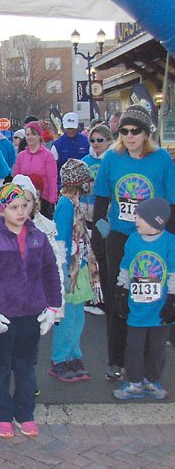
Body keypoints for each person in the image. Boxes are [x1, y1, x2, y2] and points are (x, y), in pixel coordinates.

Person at [93, 105, 175, 382]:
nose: (129, 136)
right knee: (118, 298)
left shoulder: (161, 159)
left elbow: (172, 203)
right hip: (120, 238)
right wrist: (97, 234)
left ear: (146, 133)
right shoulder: (112, 159)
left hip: (155, 238)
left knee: (154, 295)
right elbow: (102, 198)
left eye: (135, 131)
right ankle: (116, 360)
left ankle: (150, 363)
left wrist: (170, 239)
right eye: (124, 131)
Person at [0, 183, 61, 439]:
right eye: (14, 207)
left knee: (26, 366)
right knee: (1, 366)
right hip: (3, 314)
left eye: (25, 205)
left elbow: (50, 272)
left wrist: (53, 306)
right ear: (2, 210)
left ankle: (25, 413)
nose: (21, 211)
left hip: (32, 313)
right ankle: (3, 413)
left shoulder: (39, 238)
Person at [113, 198, 175, 400]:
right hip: (137, 308)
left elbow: (173, 272)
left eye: (140, 217)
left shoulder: (169, 242)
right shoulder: (133, 240)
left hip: (160, 309)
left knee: (157, 348)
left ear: (155, 221)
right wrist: (121, 290)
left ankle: (152, 380)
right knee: (134, 348)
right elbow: (125, 266)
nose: (135, 220)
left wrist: (172, 300)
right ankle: (134, 381)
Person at [49, 159, 100, 382]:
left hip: (80, 269)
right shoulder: (66, 204)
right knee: (65, 317)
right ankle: (59, 359)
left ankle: (73, 354)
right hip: (69, 270)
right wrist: (63, 272)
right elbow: (60, 239)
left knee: (77, 317)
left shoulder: (76, 203)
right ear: (81, 182)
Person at [81, 124, 113, 316]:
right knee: (89, 256)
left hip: (107, 213)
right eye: (92, 140)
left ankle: (107, 298)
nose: (96, 144)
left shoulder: (112, 160)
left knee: (104, 256)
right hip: (87, 213)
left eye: (100, 140)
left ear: (109, 141)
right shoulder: (85, 161)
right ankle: (93, 296)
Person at [12, 121, 58, 219]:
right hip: (23, 199)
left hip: (43, 199)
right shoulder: (21, 156)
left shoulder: (48, 156)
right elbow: (16, 178)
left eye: (33, 134)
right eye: (28, 134)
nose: (30, 137)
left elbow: (52, 179)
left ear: (39, 136)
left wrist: (52, 200)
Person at [51, 112, 90, 181]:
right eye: (68, 128)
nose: (71, 131)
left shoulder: (86, 142)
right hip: (64, 184)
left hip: (84, 183)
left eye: (73, 128)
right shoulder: (57, 145)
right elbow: (53, 169)